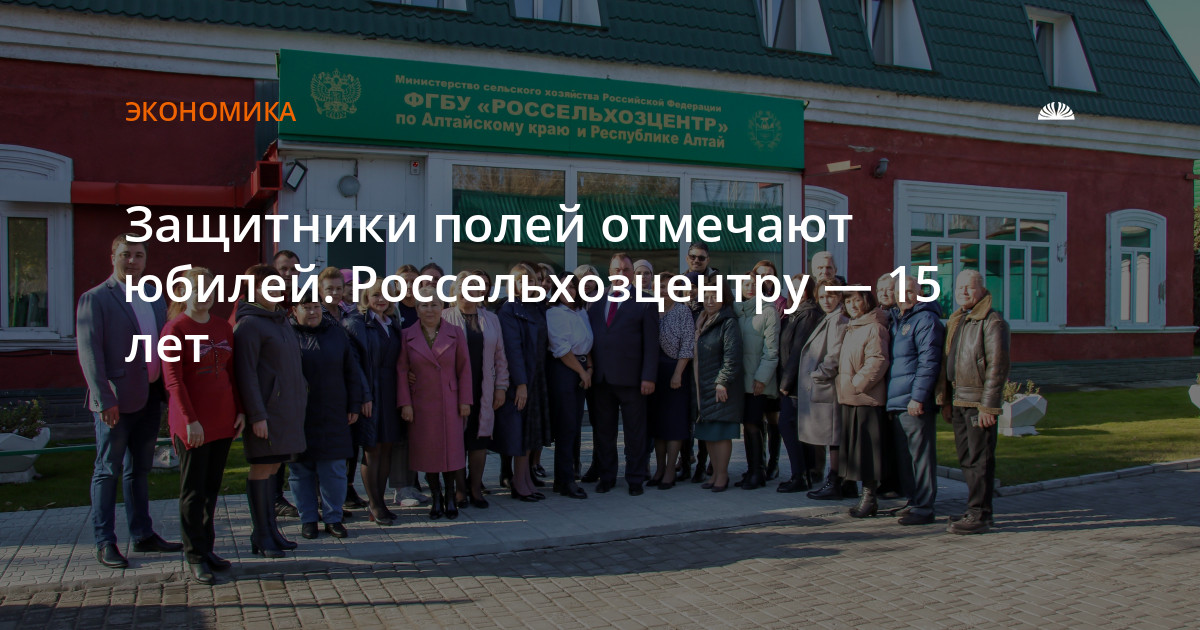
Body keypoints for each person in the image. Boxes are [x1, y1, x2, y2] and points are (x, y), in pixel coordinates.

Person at [77, 233, 182, 569]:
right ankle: (105, 541)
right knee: (107, 470)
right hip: (115, 401)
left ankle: (143, 534)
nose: (132, 261)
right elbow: (90, 353)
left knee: (139, 470)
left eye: (138, 255)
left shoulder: (153, 295)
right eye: (126, 254)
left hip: (149, 396)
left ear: (145, 260)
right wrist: (103, 398)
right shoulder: (96, 298)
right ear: (113, 257)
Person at [161, 266, 242, 584]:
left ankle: (207, 549)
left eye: (210, 289)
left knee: (211, 489)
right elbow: (173, 380)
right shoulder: (175, 329)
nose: (205, 295)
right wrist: (189, 420)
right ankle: (194, 554)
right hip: (193, 424)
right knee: (193, 491)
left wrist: (241, 410)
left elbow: (232, 373)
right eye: (198, 289)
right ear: (184, 293)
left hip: (223, 419)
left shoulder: (223, 327)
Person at [233, 264, 307, 557]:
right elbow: (246, 374)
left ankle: (271, 530)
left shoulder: (281, 319)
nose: (274, 291)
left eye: (277, 285)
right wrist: (257, 415)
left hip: (287, 410)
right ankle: (261, 533)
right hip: (266, 413)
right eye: (267, 286)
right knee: (262, 468)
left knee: (275, 466)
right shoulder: (249, 325)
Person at [936, 270, 1010, 535]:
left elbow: (997, 367)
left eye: (969, 287)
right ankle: (974, 509)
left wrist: (988, 406)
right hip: (959, 399)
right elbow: (950, 362)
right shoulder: (959, 319)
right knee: (966, 459)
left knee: (981, 460)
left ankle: (980, 514)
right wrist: (946, 400)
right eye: (959, 288)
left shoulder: (992, 321)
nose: (963, 292)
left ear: (982, 290)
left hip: (978, 402)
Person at [289, 299, 363, 540]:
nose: (312, 312)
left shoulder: (336, 333)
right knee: (301, 470)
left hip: (333, 411)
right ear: (295, 311)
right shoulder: (287, 335)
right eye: (306, 307)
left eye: (316, 307)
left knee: (334, 470)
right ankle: (308, 519)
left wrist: (354, 403)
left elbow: (351, 371)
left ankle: (333, 517)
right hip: (298, 414)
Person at [398, 285, 473, 520]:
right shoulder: (406, 335)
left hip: (450, 401)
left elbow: (464, 369)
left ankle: (450, 496)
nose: (429, 309)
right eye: (424, 305)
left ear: (442, 307)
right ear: (416, 309)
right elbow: (401, 371)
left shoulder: (456, 332)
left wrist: (465, 400)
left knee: (450, 452)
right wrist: (405, 403)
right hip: (421, 403)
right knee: (428, 453)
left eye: (434, 304)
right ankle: (436, 497)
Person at [587, 252, 659, 496]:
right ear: (609, 273)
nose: (621, 274)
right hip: (601, 380)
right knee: (604, 432)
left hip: (633, 380)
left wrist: (648, 377)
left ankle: (635, 478)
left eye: (626, 270)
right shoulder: (596, 301)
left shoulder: (646, 301)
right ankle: (607, 477)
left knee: (635, 433)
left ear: (632, 274)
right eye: (616, 270)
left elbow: (651, 343)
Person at [442, 270, 509, 508]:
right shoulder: (444, 317)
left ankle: (475, 488)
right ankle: (460, 490)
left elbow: (500, 355)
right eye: (465, 287)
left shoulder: (491, 319)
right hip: (453, 389)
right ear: (457, 290)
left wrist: (501, 387)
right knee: (457, 439)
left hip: (484, 386)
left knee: (480, 438)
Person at [343, 278, 406, 525]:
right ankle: (375, 504)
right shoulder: (355, 323)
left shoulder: (392, 323)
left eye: (386, 295)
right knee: (372, 449)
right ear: (366, 297)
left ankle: (380, 501)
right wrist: (364, 396)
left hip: (391, 392)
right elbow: (354, 365)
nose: (381, 299)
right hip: (370, 392)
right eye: (376, 295)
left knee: (387, 447)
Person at [886, 274, 945, 525]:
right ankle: (913, 501)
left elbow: (928, 362)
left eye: (911, 291)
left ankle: (924, 506)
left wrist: (918, 397)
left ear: (920, 293)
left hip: (913, 401)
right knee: (906, 457)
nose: (905, 296)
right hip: (897, 401)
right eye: (901, 292)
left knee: (921, 456)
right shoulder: (898, 320)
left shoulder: (925, 320)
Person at [495, 262, 551, 501]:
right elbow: (513, 349)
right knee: (520, 432)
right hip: (521, 381)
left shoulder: (538, 307)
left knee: (531, 434)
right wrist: (521, 384)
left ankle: (526, 477)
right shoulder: (509, 309)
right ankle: (518, 482)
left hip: (538, 377)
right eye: (520, 280)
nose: (526, 284)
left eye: (530, 280)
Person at [318, 266, 370, 512]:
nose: (336, 293)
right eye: (331, 289)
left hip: (350, 387)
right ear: (321, 291)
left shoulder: (349, 315)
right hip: (325, 391)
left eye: (340, 288)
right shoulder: (315, 315)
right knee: (326, 448)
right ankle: (324, 498)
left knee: (350, 444)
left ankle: (347, 489)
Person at [836, 287, 891, 518]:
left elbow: (878, 360)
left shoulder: (874, 327)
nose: (852, 305)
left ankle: (869, 498)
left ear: (866, 301)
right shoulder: (853, 327)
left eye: (857, 300)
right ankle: (864, 495)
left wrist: (857, 384)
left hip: (866, 400)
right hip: (851, 398)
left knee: (868, 453)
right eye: (848, 302)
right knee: (856, 452)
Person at [800, 280, 855, 501]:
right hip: (825, 387)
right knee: (832, 436)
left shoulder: (838, 319)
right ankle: (845, 483)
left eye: (831, 295)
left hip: (829, 387)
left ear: (839, 296)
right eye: (822, 296)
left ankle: (835, 482)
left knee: (834, 437)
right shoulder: (829, 317)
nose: (826, 300)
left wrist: (818, 374)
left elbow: (834, 354)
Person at [692, 279, 743, 492]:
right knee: (709, 433)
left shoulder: (728, 321)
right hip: (703, 385)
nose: (710, 300)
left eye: (715, 296)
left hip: (719, 386)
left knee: (721, 432)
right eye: (706, 296)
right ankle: (714, 475)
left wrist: (723, 381)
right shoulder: (703, 319)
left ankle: (722, 475)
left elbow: (732, 356)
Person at [545, 273, 594, 499]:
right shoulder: (554, 313)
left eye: (572, 287)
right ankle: (565, 481)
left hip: (582, 368)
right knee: (566, 427)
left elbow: (588, 343)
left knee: (574, 426)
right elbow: (561, 348)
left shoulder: (581, 312)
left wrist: (589, 367)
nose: (569, 291)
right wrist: (582, 372)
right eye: (564, 287)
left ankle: (566, 477)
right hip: (565, 370)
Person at [733, 261, 780, 490]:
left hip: (758, 381)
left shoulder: (768, 311)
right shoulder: (738, 311)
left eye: (753, 284)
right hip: (740, 381)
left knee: (753, 424)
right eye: (745, 284)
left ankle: (757, 472)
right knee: (749, 425)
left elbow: (771, 351)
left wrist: (762, 378)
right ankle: (753, 468)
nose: (750, 287)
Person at [776, 273, 822, 492]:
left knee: (788, 425)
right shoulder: (795, 313)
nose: (796, 292)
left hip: (797, 383)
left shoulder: (809, 313)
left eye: (801, 288)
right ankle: (805, 473)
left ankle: (800, 475)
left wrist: (785, 383)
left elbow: (798, 351)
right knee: (795, 427)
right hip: (792, 380)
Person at [648, 272, 694, 490]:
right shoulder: (650, 309)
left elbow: (687, 344)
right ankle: (658, 468)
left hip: (675, 370)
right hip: (653, 372)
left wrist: (678, 374)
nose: (664, 290)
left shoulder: (683, 311)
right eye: (660, 286)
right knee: (658, 424)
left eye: (668, 286)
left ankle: (669, 470)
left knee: (674, 423)